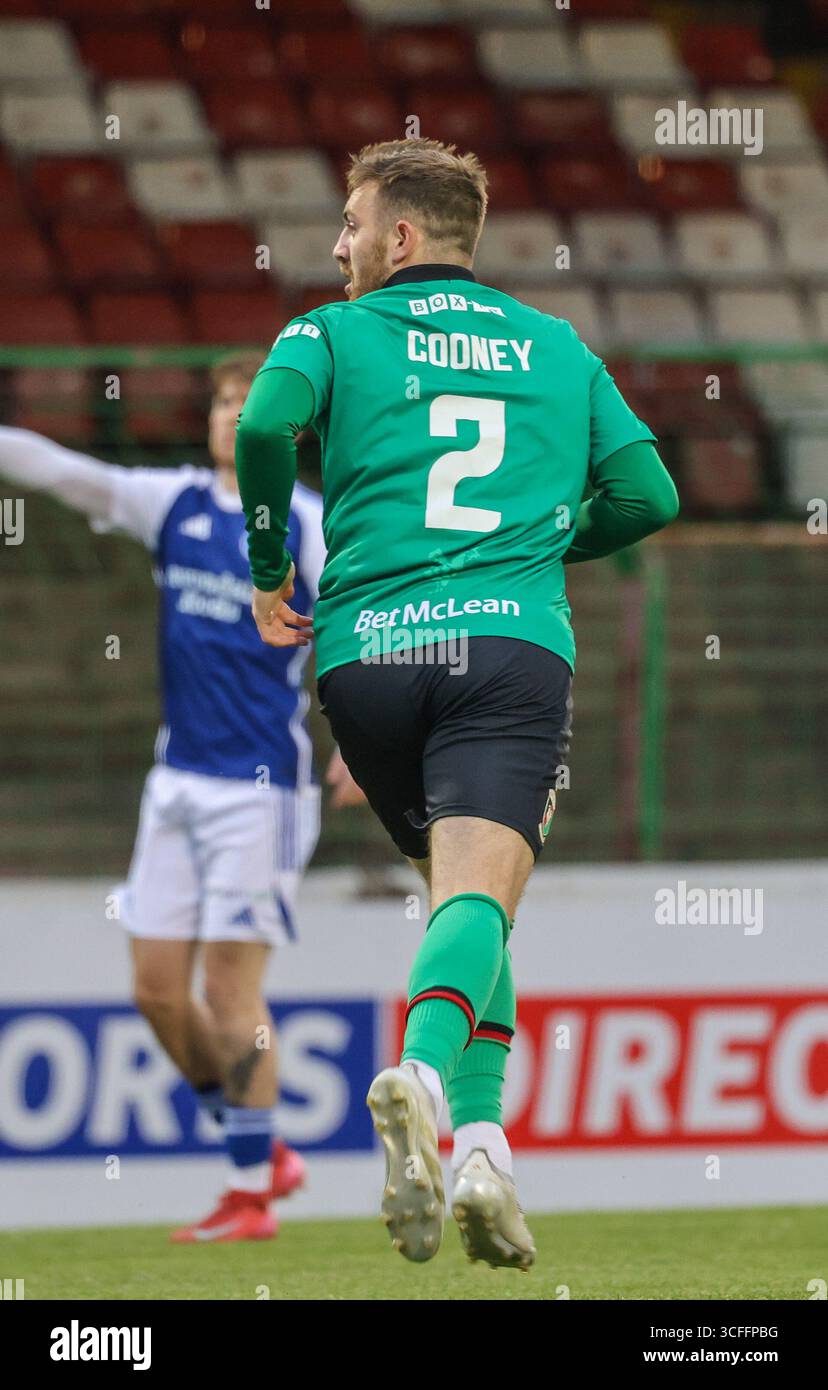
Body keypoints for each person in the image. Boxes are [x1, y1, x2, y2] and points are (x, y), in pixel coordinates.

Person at [234, 139, 679, 1269]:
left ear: (400, 238)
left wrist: (268, 561)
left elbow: (260, 430)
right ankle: (426, 1079)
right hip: (505, 649)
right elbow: (650, 492)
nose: (335, 246)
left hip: (367, 662)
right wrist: (544, 538)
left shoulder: (329, 333)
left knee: (466, 904)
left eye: (349, 223)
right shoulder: (557, 345)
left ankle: (485, 1151)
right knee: (481, 893)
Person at [0, 353, 363, 1243]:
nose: (234, 416)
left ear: (287, 430)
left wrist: (360, 739)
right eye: (224, 402)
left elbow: (358, 626)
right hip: (176, 785)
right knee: (159, 993)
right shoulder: (177, 507)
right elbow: (58, 470)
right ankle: (258, 1147)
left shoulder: (311, 526)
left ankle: (250, 1197)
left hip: (261, 794)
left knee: (230, 988)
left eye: (253, 405)